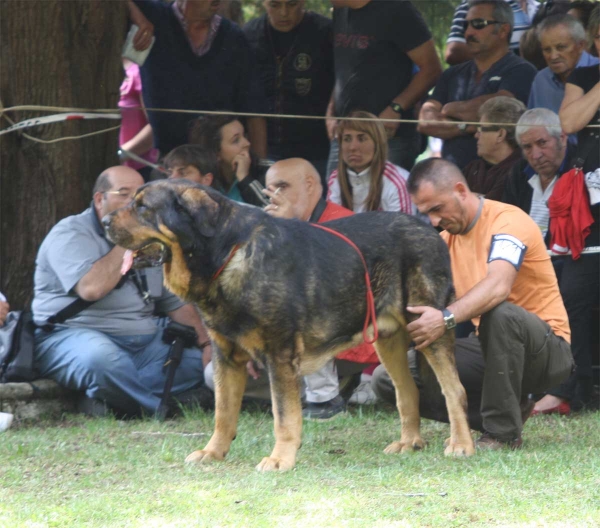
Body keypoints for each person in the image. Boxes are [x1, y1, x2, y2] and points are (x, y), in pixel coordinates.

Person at [372, 158, 573, 450]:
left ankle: (502, 434)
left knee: (499, 312)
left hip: (547, 351)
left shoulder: (508, 221)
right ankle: (499, 414)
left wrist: (443, 319)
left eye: (437, 209)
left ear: (460, 191)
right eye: (426, 213)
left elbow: (498, 286)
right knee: (387, 378)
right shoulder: (443, 242)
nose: (433, 221)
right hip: (492, 351)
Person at [202, 158, 378, 419]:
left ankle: (326, 400)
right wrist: (251, 343)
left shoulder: (344, 221)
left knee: (299, 309)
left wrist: (290, 230)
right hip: (292, 345)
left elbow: (324, 288)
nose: (274, 197)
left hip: (351, 340)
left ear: (309, 184)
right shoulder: (269, 227)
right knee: (211, 375)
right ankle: (323, 391)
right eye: (269, 189)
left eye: (282, 187)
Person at [32, 166, 211, 417]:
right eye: (124, 194)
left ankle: (110, 401)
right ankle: (156, 409)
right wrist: (125, 239)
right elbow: (91, 289)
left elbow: (175, 302)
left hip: (144, 346)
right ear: (99, 199)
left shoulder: (150, 237)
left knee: (199, 363)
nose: (134, 203)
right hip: (72, 337)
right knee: (101, 360)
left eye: (139, 196)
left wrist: (207, 343)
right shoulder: (69, 233)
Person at [537, 5, 600, 414]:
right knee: (573, 294)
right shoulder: (585, 77)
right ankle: (572, 388)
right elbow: (569, 122)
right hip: (592, 204)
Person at [126, 0, 268, 157]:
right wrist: (139, 19)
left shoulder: (233, 37)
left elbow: (255, 110)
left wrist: (258, 169)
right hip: (170, 161)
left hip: (219, 165)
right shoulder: (154, 15)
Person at [326, 0, 442, 176]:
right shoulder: (340, 10)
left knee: (387, 202)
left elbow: (432, 69)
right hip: (345, 133)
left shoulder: (397, 9)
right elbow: (344, 69)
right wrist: (331, 110)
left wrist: (396, 107)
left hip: (389, 137)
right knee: (336, 202)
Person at [419, 0, 537, 170]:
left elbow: (499, 111)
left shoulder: (522, 70)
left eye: (478, 24)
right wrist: (468, 126)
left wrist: (450, 109)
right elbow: (425, 122)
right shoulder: (451, 74)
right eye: (465, 25)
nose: (468, 32)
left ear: (504, 30)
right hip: (453, 180)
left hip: (500, 181)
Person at [243, 0, 334, 184]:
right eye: (275, 5)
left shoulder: (324, 32)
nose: (284, 13)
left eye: (291, 4)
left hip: (316, 150)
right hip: (265, 148)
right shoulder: (249, 34)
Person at [502, 108, 573, 240]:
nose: (536, 155)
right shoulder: (520, 172)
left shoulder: (580, 171)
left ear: (562, 139)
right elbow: (508, 223)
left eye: (542, 143)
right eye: (527, 147)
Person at [327, 110, 413, 215]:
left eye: (362, 139)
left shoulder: (398, 182)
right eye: (347, 139)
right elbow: (330, 227)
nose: (353, 147)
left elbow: (404, 229)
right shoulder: (336, 179)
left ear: (377, 143)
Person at [527, 14, 598, 124]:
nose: (553, 56)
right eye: (547, 50)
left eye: (561, 47)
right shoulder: (541, 80)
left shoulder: (597, 71)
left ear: (581, 45)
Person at [189, 115, 270, 207]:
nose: (247, 143)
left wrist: (245, 179)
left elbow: (275, 214)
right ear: (215, 153)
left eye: (245, 136)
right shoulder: (203, 179)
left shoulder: (269, 171)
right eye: (236, 140)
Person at [463, 96, 525, 200]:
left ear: (500, 135)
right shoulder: (472, 168)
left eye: (481, 129)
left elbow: (491, 207)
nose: (476, 135)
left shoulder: (519, 170)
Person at [445, 0, 539, 65]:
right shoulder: (481, 4)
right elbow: (454, 52)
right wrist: (509, 64)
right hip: (493, 86)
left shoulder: (540, 7)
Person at [118, 59, 158, 182]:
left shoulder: (138, 71)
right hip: (109, 170)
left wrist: (120, 154)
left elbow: (156, 125)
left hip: (139, 171)